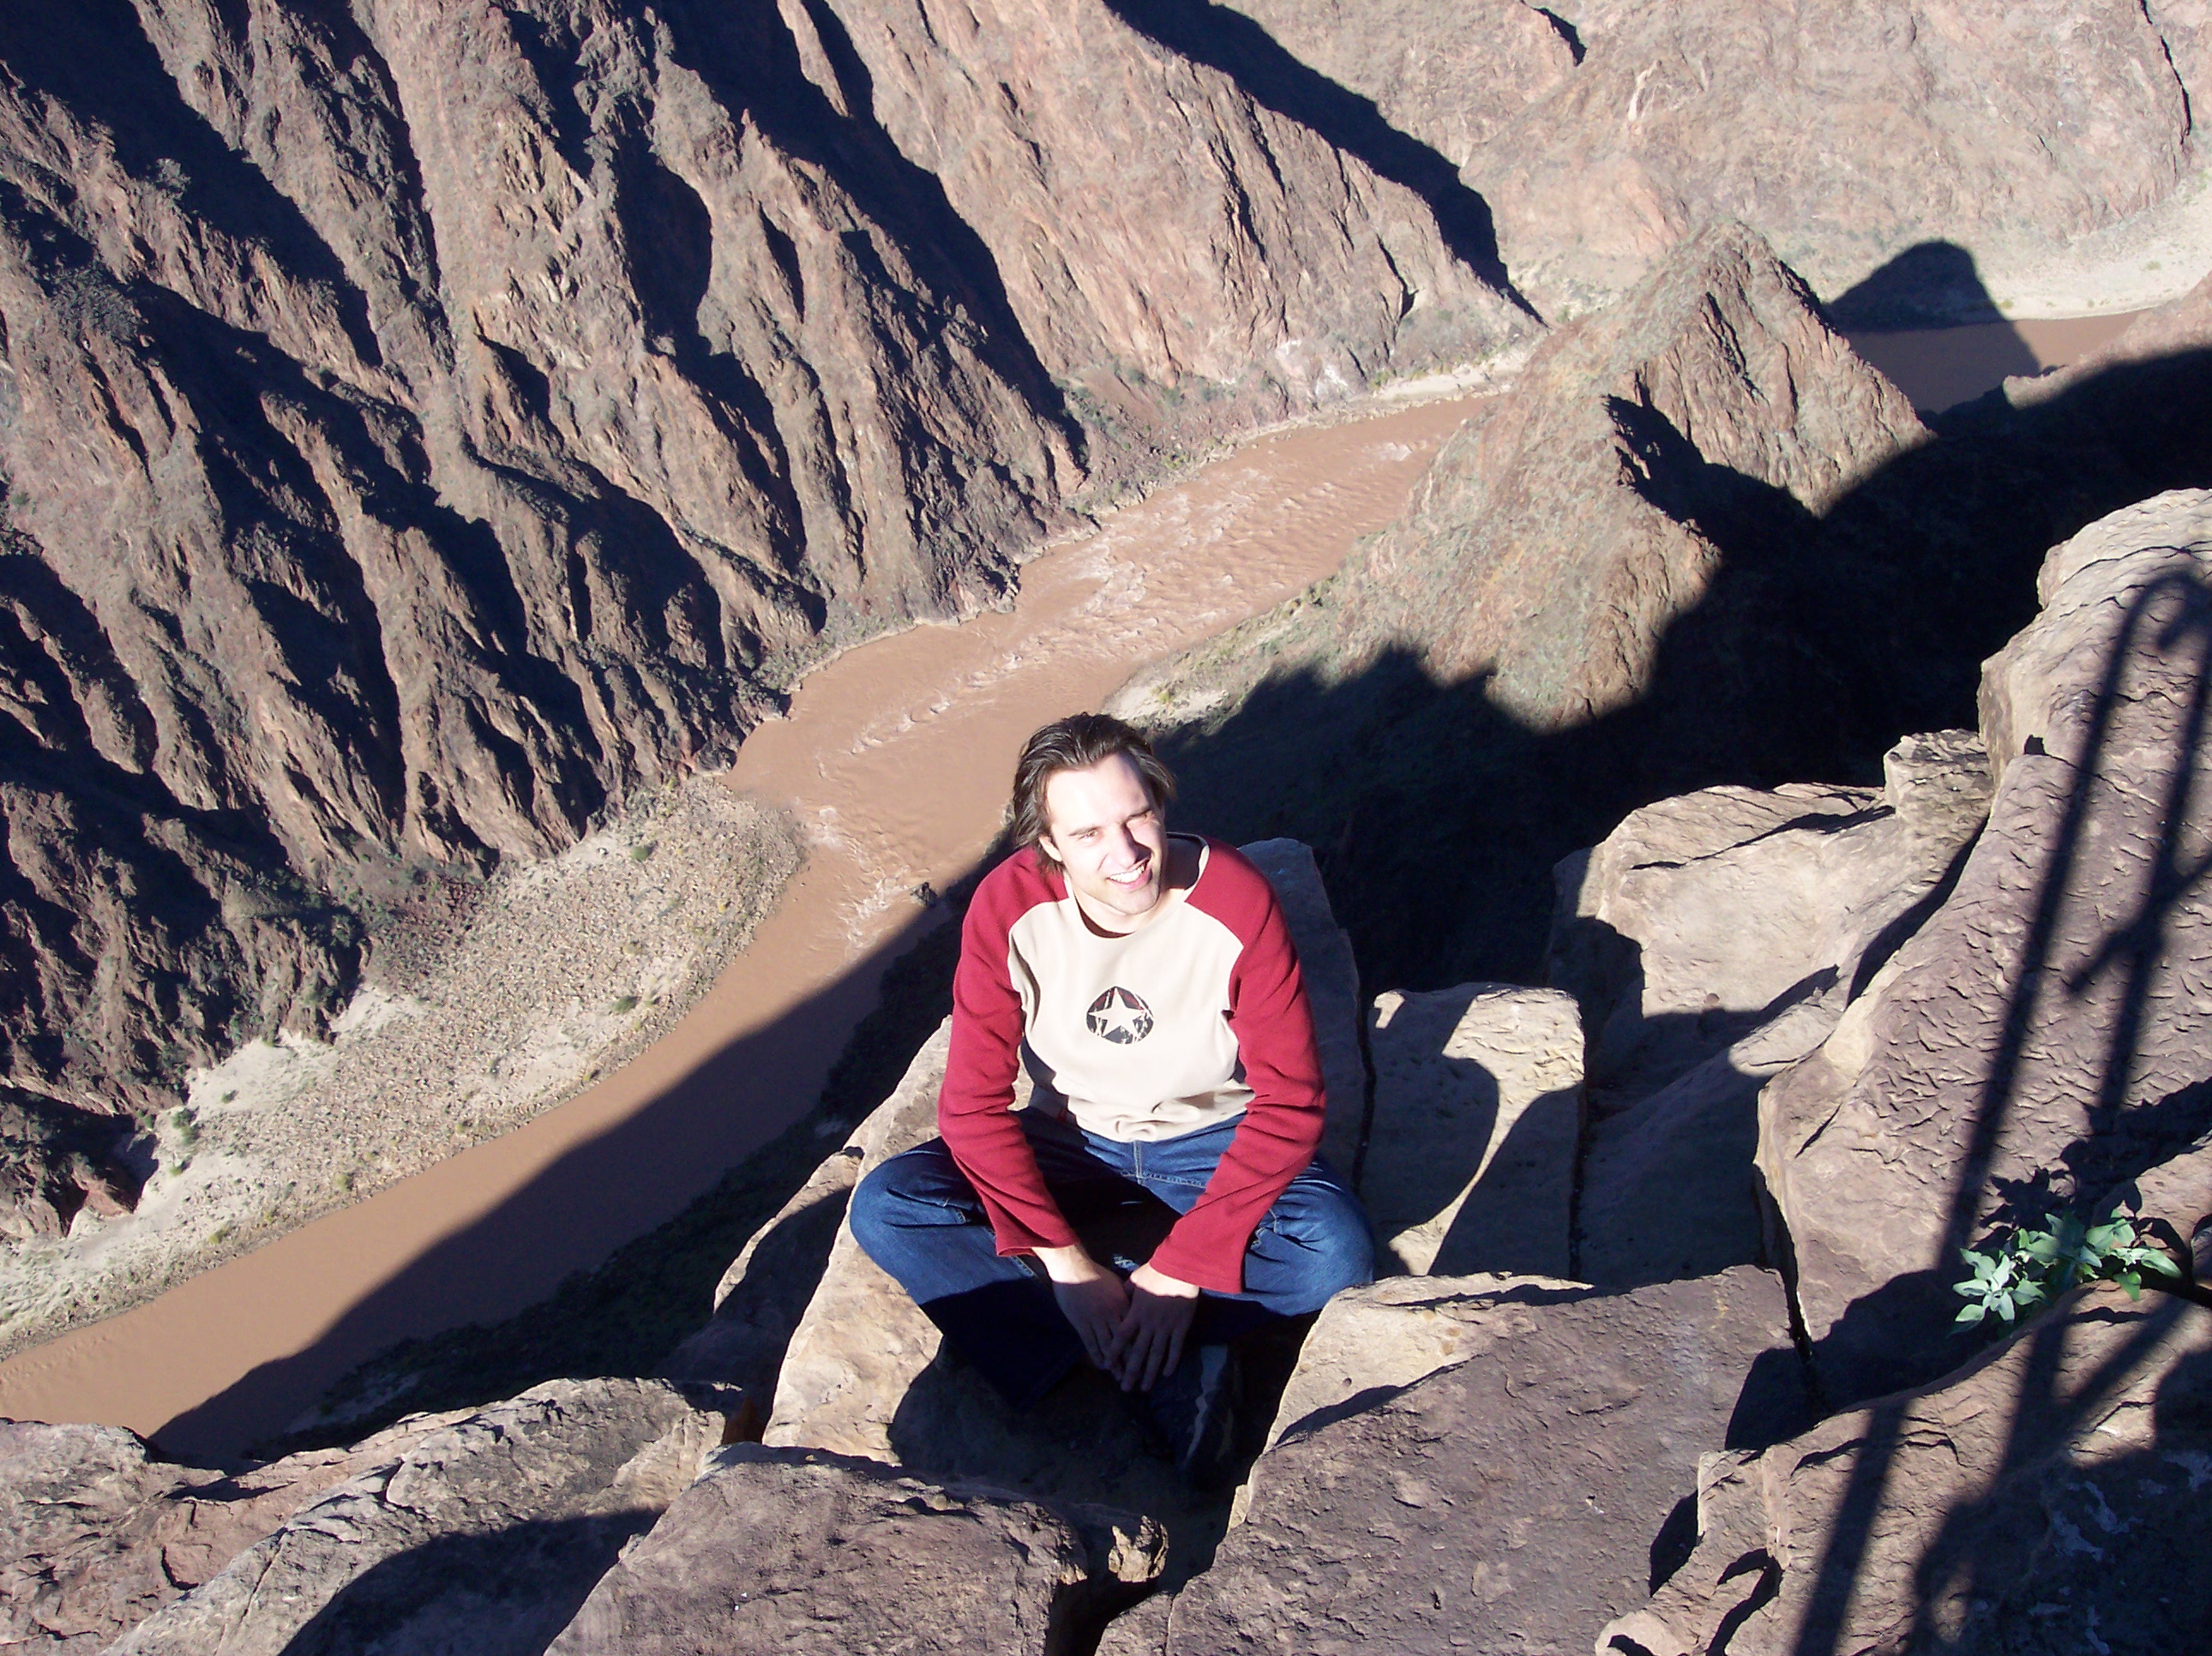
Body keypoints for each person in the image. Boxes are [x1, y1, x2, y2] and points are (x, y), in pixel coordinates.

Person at [848, 712, 1374, 1482]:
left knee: (1333, 1254)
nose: (1125, 854)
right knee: (891, 1207)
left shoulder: (1234, 900)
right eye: (1088, 834)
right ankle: (1167, 1356)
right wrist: (1067, 1266)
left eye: (1138, 818)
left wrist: (1178, 1272)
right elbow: (970, 1110)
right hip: (1073, 1136)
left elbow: (1289, 1102)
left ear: (1161, 804)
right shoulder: (1009, 908)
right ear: (1049, 843)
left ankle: (1102, 1334)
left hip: (1212, 1136)